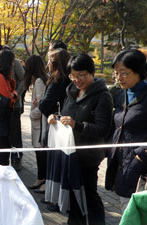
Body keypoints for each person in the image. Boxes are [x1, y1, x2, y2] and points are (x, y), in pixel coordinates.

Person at [48, 53, 113, 225]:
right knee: (73, 194)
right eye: (73, 76)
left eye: (82, 75)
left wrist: (77, 125)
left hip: (88, 156)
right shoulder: (71, 91)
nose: (77, 80)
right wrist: (55, 117)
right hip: (69, 152)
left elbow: (102, 129)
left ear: (92, 72)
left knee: (88, 194)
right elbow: (67, 116)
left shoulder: (102, 95)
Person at [105, 49, 147, 212]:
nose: (118, 78)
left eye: (124, 73)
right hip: (121, 162)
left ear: (138, 71)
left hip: (143, 169)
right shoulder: (121, 94)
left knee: (138, 214)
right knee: (126, 209)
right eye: (116, 73)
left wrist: (142, 153)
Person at [38, 48, 71, 210]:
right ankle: (58, 199)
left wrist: (41, 102)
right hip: (64, 126)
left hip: (58, 127)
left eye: (50, 61)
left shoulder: (58, 79)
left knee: (57, 164)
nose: (47, 64)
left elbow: (45, 104)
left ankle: (59, 201)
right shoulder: (67, 79)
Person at [0, 43, 25, 171]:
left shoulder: (6, 74)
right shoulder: (0, 76)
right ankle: (0, 172)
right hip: (3, 115)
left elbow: (22, 81)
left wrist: (16, 94)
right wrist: (13, 95)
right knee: (4, 145)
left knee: (10, 140)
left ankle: (15, 160)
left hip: (9, 112)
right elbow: (6, 97)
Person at [24, 55, 47, 192]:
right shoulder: (40, 79)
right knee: (40, 153)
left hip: (39, 123)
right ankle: (41, 178)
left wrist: (32, 114)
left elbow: (42, 104)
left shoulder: (39, 81)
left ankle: (41, 178)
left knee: (41, 153)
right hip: (39, 123)